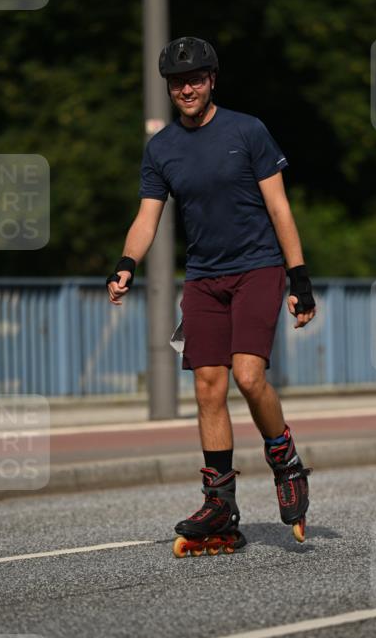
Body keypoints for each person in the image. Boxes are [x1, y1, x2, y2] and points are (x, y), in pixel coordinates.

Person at [107, 36, 316, 551]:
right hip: (204, 276)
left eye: (196, 79)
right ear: (169, 88)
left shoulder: (247, 131)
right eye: (178, 82)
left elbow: (279, 208)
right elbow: (147, 217)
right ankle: (220, 502)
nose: (187, 89)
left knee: (248, 375)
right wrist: (126, 264)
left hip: (257, 268)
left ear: (212, 79)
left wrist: (299, 278)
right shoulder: (161, 149)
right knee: (207, 385)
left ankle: (285, 459)